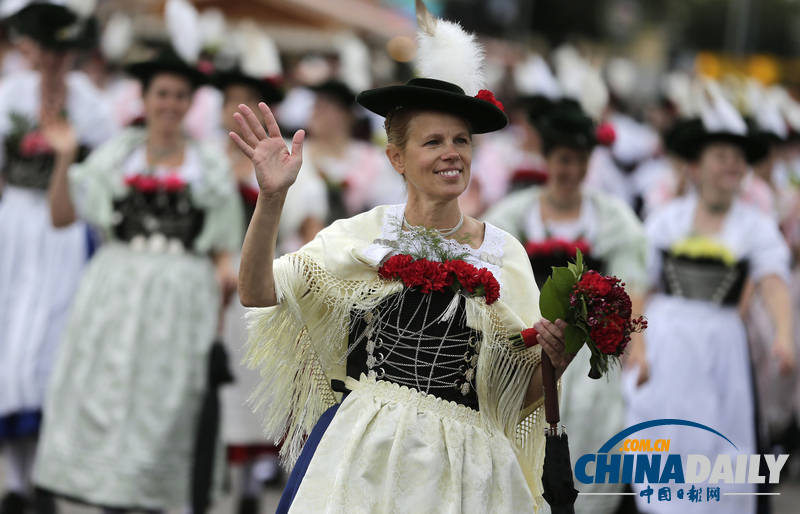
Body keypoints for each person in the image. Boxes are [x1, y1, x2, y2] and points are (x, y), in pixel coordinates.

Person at [232, 6, 574, 512]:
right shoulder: (363, 233)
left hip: (467, 472)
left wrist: (556, 363)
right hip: (363, 458)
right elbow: (257, 292)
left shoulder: (505, 255)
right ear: (396, 158)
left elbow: (510, 400)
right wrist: (273, 199)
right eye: (432, 141)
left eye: (461, 140)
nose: (451, 153)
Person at [31, 45, 242, 512]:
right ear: (144, 100)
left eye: (180, 96)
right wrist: (65, 156)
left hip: (181, 294)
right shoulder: (114, 157)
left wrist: (223, 295)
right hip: (116, 288)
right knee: (108, 386)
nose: (170, 104)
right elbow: (62, 217)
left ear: (190, 104)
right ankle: (105, 491)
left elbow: (223, 250)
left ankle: (153, 491)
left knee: (167, 396)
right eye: (161, 94)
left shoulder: (207, 166)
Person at [624, 92, 795, 514]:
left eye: (738, 157)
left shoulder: (754, 226)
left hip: (723, 345)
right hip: (669, 341)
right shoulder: (666, 219)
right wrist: (639, 347)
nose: (732, 165)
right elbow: (639, 284)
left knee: (719, 441)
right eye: (721, 155)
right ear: (697, 167)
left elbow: (773, 280)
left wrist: (784, 335)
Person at [484, 99, 648, 514]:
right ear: (547, 159)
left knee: (593, 440)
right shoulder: (514, 213)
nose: (569, 170)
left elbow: (634, 285)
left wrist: (635, 348)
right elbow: (492, 280)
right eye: (562, 159)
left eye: (578, 161)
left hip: (588, 357)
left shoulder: (613, 218)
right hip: (528, 348)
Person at [0, 3, 113, 513]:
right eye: (45, 51)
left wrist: (68, 159)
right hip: (14, 224)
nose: (52, 62)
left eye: (62, 53)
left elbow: (105, 173)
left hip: (64, 228)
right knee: (10, 335)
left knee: (54, 335)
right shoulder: (11, 95)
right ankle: (16, 480)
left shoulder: (90, 104)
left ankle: (45, 473)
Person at [213, 50, 328, 514]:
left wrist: (305, 270)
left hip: (269, 277)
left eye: (245, 101)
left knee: (276, 378)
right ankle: (238, 486)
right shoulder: (206, 161)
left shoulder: (288, 160)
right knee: (230, 383)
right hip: (218, 290)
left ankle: (284, 482)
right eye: (229, 100)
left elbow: (311, 226)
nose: (233, 109)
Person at [304, 78, 404, 223]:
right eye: (316, 105)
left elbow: (390, 208)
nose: (317, 112)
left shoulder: (373, 159)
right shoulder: (294, 154)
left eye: (326, 106)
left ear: (347, 115)